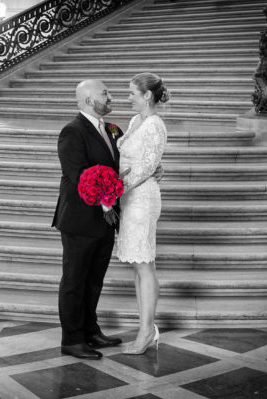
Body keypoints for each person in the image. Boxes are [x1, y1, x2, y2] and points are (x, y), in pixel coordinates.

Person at [51, 79, 123, 360]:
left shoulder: (112, 129)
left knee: (95, 279)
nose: (110, 96)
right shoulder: (72, 131)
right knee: (74, 280)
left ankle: (90, 330)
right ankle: (71, 339)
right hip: (80, 220)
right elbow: (78, 175)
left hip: (107, 218)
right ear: (89, 100)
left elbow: (119, 167)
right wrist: (106, 198)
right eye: (105, 93)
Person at [116, 72, 169, 355]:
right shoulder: (137, 121)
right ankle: (145, 327)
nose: (128, 99)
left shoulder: (155, 125)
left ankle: (147, 331)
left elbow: (147, 166)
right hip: (129, 198)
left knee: (144, 264)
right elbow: (125, 154)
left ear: (147, 95)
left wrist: (113, 187)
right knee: (139, 265)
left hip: (142, 199)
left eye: (132, 94)